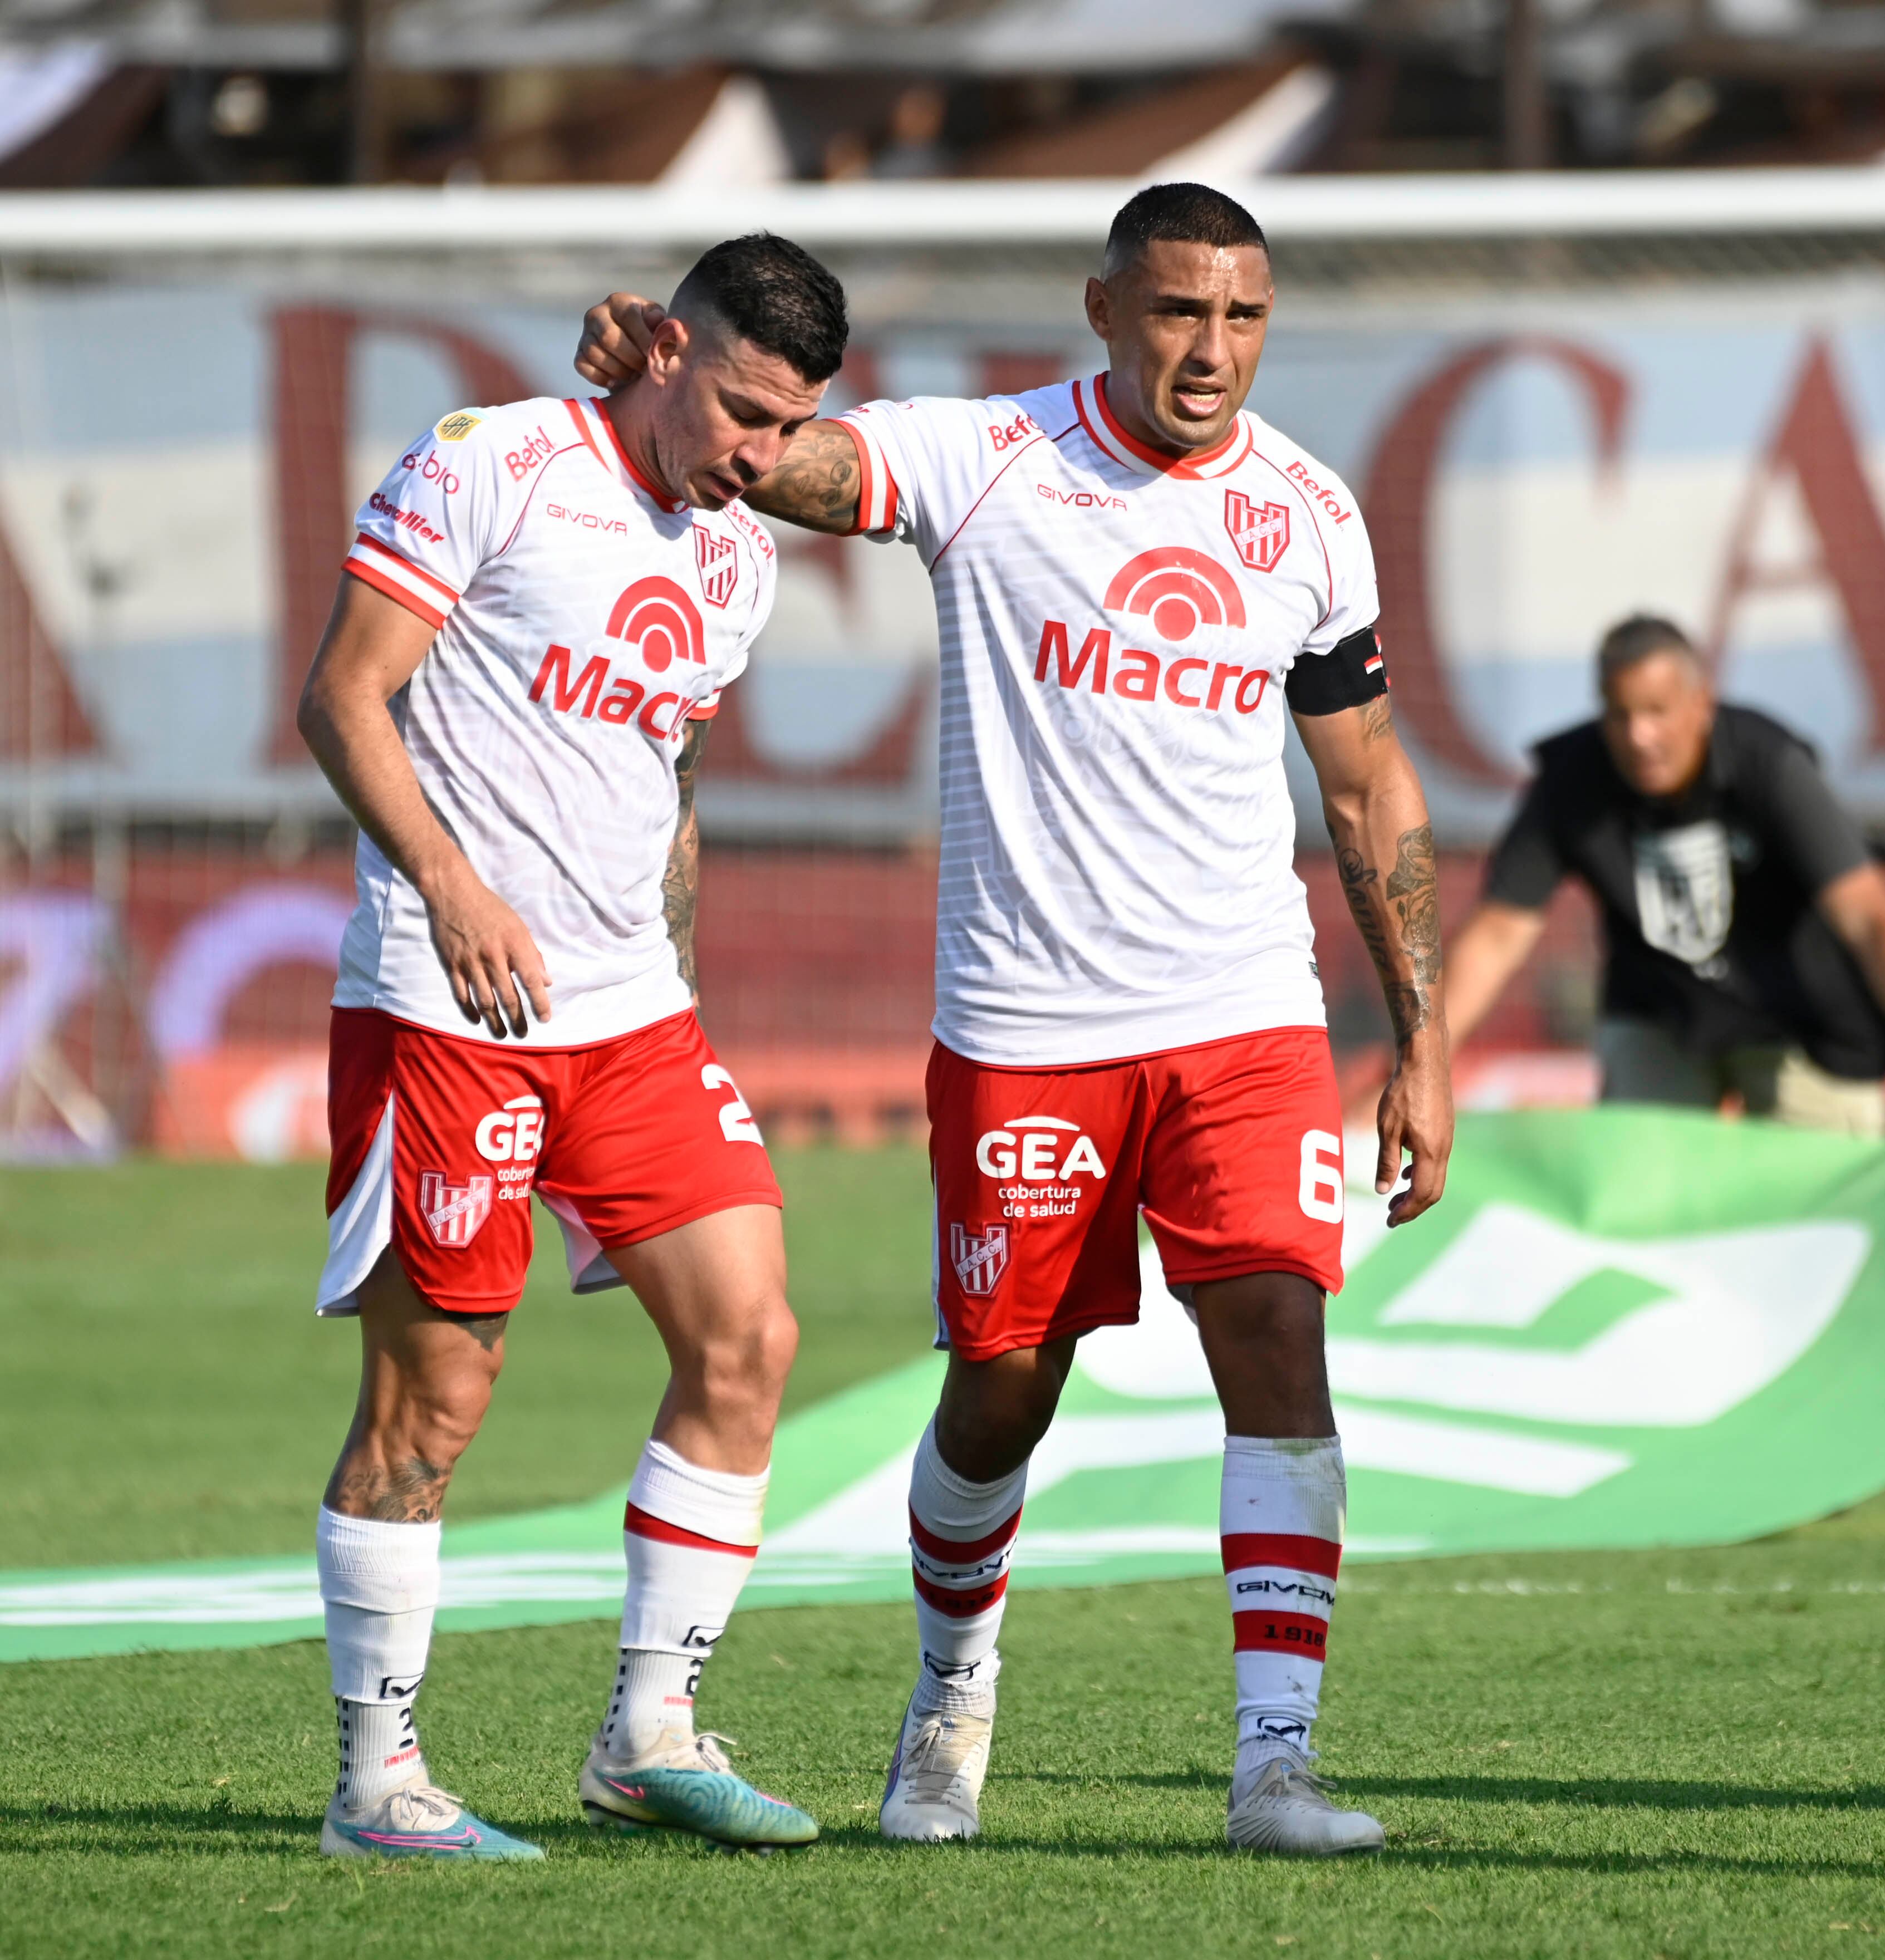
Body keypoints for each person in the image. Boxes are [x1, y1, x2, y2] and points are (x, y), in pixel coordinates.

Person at [573, 181, 1451, 1856]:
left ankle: (1275, 1765)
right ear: (1105, 308)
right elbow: (796, 464)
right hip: (1027, 1027)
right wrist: (654, 374)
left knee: (1277, 1336)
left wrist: (1420, 1037)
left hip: (1245, 1015)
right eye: (1181, 311)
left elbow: (1369, 787)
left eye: (1245, 316)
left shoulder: (1311, 517)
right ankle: (950, 1693)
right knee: (1002, 1386)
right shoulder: (991, 460)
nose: (1213, 351)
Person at [297, 234, 850, 1860]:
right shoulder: (494, 463)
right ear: (664, 350)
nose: (759, 458)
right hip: (443, 1000)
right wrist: (453, 884)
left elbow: (659, 782)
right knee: (438, 1397)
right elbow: (344, 697)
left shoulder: (739, 558)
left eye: (787, 427)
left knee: (750, 1338)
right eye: (743, 411)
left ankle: (647, 1733)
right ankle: (378, 1785)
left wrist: (673, 985)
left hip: (629, 1019)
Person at [1441, 614, 1885, 1136]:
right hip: (1664, 1015)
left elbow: (1870, 916)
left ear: (1701, 704)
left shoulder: (1767, 761)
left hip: (1804, 1021)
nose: (1639, 735)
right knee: (1636, 1191)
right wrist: (1424, 1066)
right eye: (1619, 713)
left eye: (1657, 710)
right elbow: (1497, 934)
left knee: (1822, 1201)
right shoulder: (1573, 780)